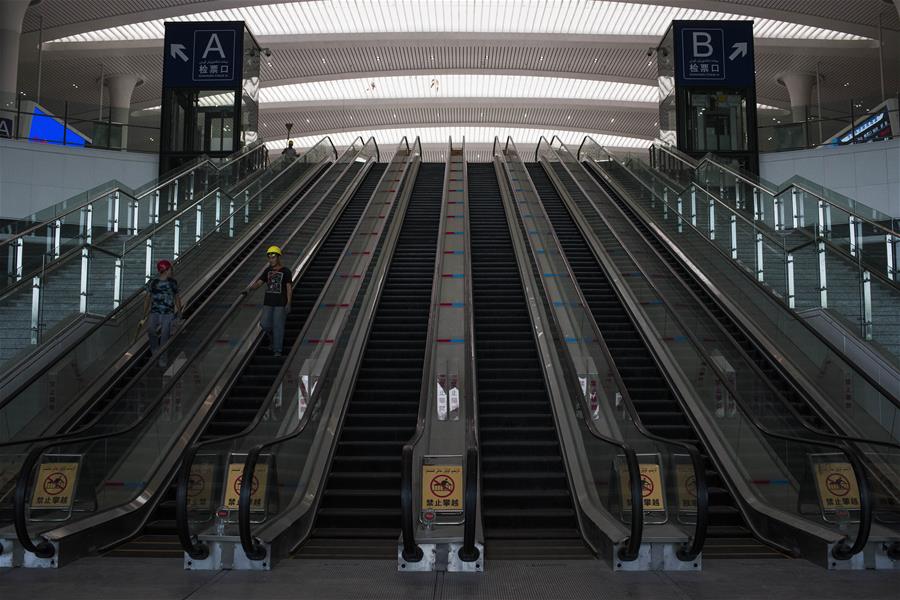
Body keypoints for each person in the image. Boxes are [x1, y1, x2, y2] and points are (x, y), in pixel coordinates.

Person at [247, 246, 293, 357]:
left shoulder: (286, 271)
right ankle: (273, 338)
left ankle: (277, 350)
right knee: (265, 324)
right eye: (269, 257)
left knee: (278, 326)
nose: (271, 259)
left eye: (273, 257)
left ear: (278, 257)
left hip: (280, 303)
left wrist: (288, 303)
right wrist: (250, 288)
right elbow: (259, 283)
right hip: (268, 302)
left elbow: (288, 288)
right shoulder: (267, 271)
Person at [140, 259, 182, 368]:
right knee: (151, 330)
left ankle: (163, 358)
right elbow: (147, 299)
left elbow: (177, 297)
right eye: (170, 269)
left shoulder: (173, 283)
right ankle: (155, 351)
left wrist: (180, 311)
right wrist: (144, 314)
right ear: (165, 270)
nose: (171, 271)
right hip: (155, 312)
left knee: (164, 336)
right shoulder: (153, 283)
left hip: (168, 313)